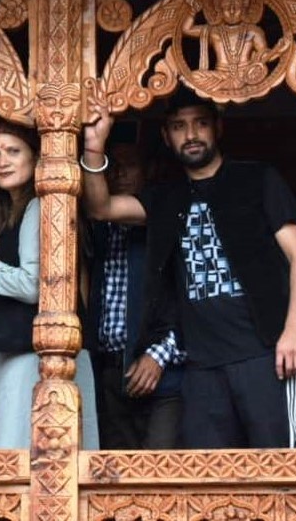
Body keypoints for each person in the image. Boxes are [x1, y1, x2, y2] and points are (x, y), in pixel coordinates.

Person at [81, 88, 296, 449]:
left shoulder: (258, 180)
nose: (190, 135)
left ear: (217, 128)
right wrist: (95, 148)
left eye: (200, 124)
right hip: (200, 367)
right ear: (166, 136)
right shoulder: (166, 197)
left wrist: (294, 329)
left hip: (265, 355)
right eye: (178, 126)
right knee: (207, 480)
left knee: (280, 470)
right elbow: (101, 208)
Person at [0, 121, 98, 449]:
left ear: (37, 157)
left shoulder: (39, 205)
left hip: (36, 358)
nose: (2, 161)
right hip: (25, 354)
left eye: (13, 151)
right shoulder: (13, 212)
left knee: (25, 456)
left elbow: (31, 286)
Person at [83, 124, 184, 450]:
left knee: (160, 473)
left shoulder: (167, 224)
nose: (120, 173)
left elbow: (192, 299)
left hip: (163, 371)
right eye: (113, 165)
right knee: (113, 478)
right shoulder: (98, 230)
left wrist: (157, 355)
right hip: (110, 372)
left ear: (149, 170)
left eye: (130, 165)